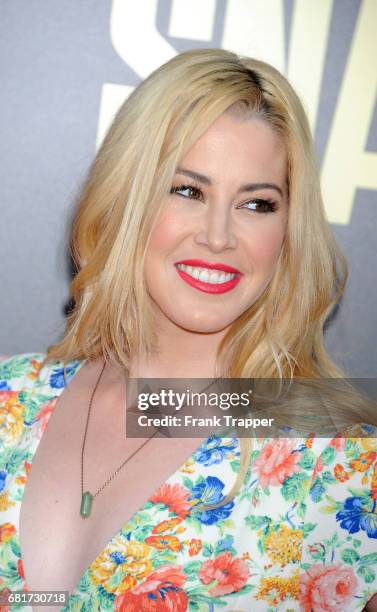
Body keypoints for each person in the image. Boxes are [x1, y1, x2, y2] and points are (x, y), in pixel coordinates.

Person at [0, 48, 376, 612]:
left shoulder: (342, 459)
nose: (219, 236)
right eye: (187, 190)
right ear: (127, 197)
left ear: (288, 231)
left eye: (256, 203)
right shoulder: (13, 397)